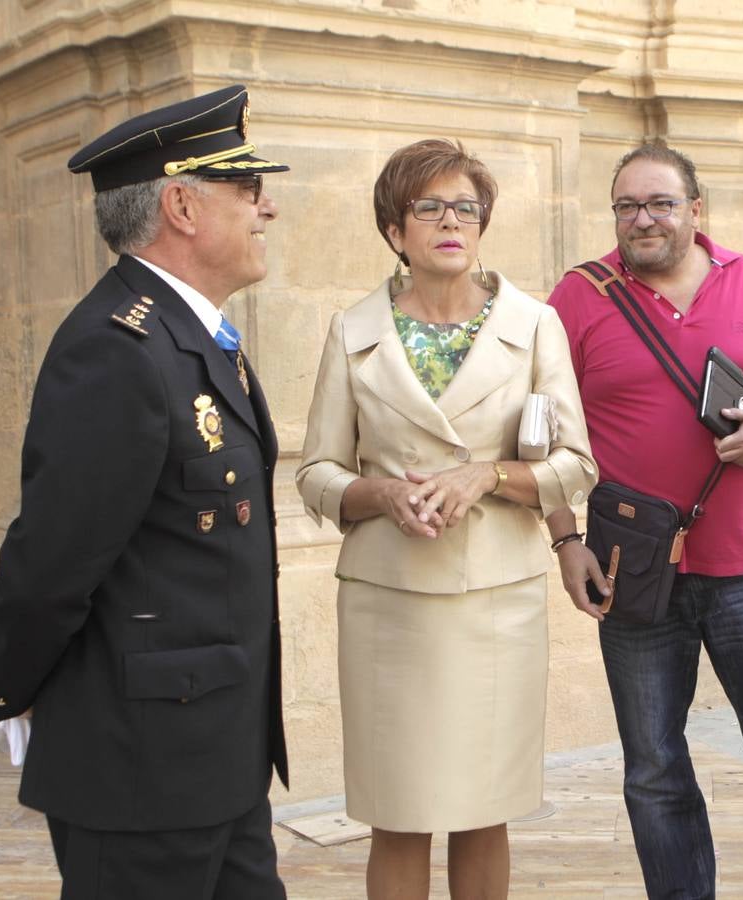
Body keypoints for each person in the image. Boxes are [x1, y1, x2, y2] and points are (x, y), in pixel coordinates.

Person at [0, 85, 291, 899]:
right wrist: (10, 676)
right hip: (139, 771)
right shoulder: (116, 350)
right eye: (248, 190)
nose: (269, 209)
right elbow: (53, 558)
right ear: (182, 205)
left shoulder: (192, 336)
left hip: (216, 757)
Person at [546, 142, 743, 899]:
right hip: (634, 569)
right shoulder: (579, 296)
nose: (642, 219)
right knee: (653, 770)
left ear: (696, 209)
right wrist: (565, 539)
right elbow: (542, 431)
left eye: (659, 203)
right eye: (627, 206)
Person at [295, 138, 596, 899]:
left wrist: (488, 475)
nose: (450, 221)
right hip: (387, 603)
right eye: (428, 207)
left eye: (466, 206)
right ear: (396, 232)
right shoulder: (352, 330)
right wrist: (382, 496)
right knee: (396, 813)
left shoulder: (534, 326)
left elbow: (577, 466)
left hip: (498, 600)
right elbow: (317, 473)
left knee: (481, 810)